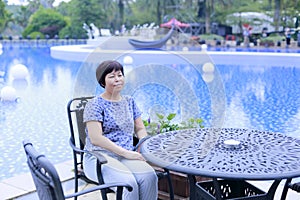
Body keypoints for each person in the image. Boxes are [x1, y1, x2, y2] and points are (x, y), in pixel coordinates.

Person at [83, 60, 158, 200]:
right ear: (102, 81)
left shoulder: (129, 101)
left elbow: (140, 128)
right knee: (128, 184)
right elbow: (96, 138)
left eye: (120, 75)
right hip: (100, 158)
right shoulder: (94, 104)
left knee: (149, 177)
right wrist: (126, 153)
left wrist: (142, 144)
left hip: (126, 155)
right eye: (111, 76)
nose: (117, 79)